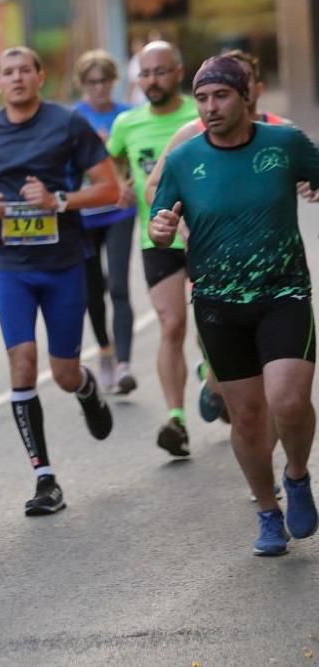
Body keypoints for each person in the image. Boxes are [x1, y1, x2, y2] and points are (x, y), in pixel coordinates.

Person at [149, 55, 319, 556]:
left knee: (288, 401)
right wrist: (161, 231)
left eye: (220, 95)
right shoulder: (184, 160)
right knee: (246, 416)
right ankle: (268, 512)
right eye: (201, 98)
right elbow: (161, 220)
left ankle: (297, 474)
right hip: (218, 303)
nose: (210, 107)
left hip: (283, 292)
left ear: (247, 97)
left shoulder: (284, 144)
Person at [0, 46, 117, 516]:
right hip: (12, 267)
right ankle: (44, 477)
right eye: (7, 72)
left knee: (64, 372)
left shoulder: (67, 123)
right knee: (22, 364)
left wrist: (59, 200)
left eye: (25, 70)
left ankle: (86, 386)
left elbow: (111, 189)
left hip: (65, 261)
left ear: (41, 76)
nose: (17, 78)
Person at [144, 48, 297, 426]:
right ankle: (212, 384)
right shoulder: (191, 136)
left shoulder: (282, 133)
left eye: (236, 80)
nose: (226, 87)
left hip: (276, 275)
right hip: (214, 263)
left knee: (277, 383)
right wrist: (180, 223)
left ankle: (282, 471)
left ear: (252, 88)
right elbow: (154, 189)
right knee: (208, 341)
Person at [106, 41, 198, 457]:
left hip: (208, 236)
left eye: (160, 71)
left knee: (216, 322)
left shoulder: (200, 113)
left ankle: (215, 380)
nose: (152, 80)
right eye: (144, 73)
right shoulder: (127, 123)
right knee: (171, 323)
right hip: (156, 238)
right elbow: (108, 164)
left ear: (179, 72)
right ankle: (176, 418)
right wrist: (119, 183)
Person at [72, 49, 139, 394]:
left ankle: (125, 364)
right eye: (92, 82)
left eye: (105, 81)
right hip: (84, 214)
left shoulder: (128, 116)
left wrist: (128, 184)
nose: (99, 88)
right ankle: (107, 352)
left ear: (114, 81)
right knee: (93, 292)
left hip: (119, 210)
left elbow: (138, 161)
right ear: (83, 84)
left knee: (118, 287)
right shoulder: (73, 119)